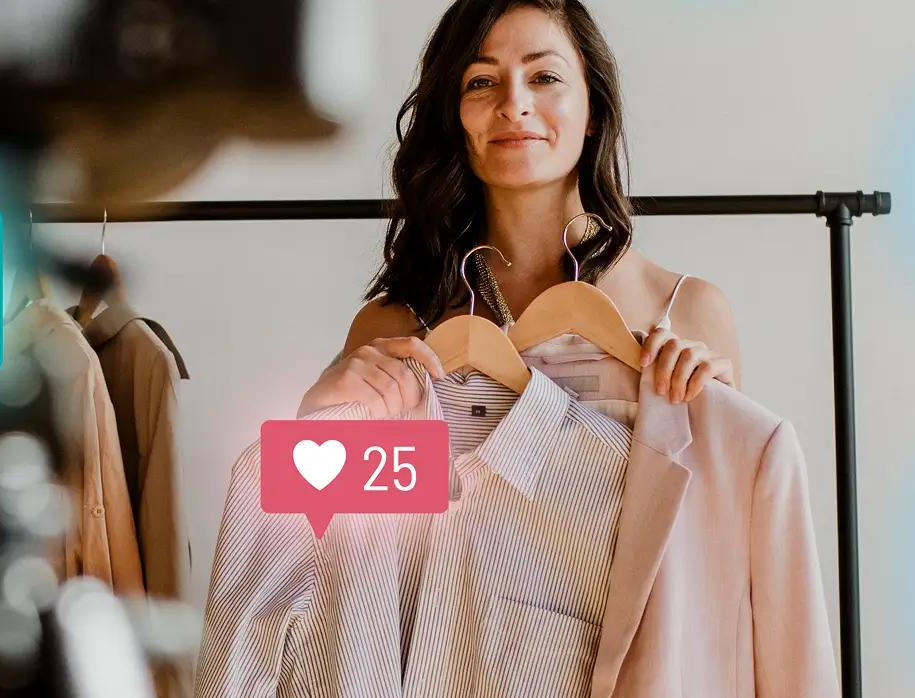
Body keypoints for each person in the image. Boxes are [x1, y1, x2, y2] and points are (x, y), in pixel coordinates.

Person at [299, 0, 739, 419]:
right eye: (481, 82)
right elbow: (314, 495)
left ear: (593, 111)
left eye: (545, 77)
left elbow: (727, 497)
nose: (513, 104)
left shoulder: (690, 313)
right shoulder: (390, 328)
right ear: (452, 117)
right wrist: (315, 417)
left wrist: (726, 420)